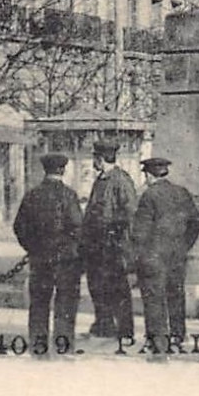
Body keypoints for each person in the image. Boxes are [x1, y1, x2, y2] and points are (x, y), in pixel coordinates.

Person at [129, 157, 199, 355]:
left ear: (148, 175)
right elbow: (196, 223)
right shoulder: (182, 193)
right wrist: (183, 246)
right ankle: (177, 338)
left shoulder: (149, 196)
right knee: (175, 296)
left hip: (153, 256)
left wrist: (138, 255)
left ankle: (157, 341)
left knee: (154, 298)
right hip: (177, 256)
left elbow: (140, 233)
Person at [13, 153, 84, 354]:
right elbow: (78, 227)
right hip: (65, 261)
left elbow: (19, 226)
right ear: (63, 170)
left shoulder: (32, 195)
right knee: (65, 305)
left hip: (40, 259)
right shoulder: (69, 195)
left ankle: (38, 346)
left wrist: (32, 247)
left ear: (45, 170)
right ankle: (63, 346)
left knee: (39, 304)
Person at [82, 140, 137, 340]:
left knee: (118, 289)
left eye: (94, 157)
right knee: (97, 286)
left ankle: (124, 329)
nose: (93, 161)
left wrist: (119, 240)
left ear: (101, 158)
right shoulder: (101, 180)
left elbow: (130, 213)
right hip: (97, 245)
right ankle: (103, 325)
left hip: (113, 246)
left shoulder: (121, 180)